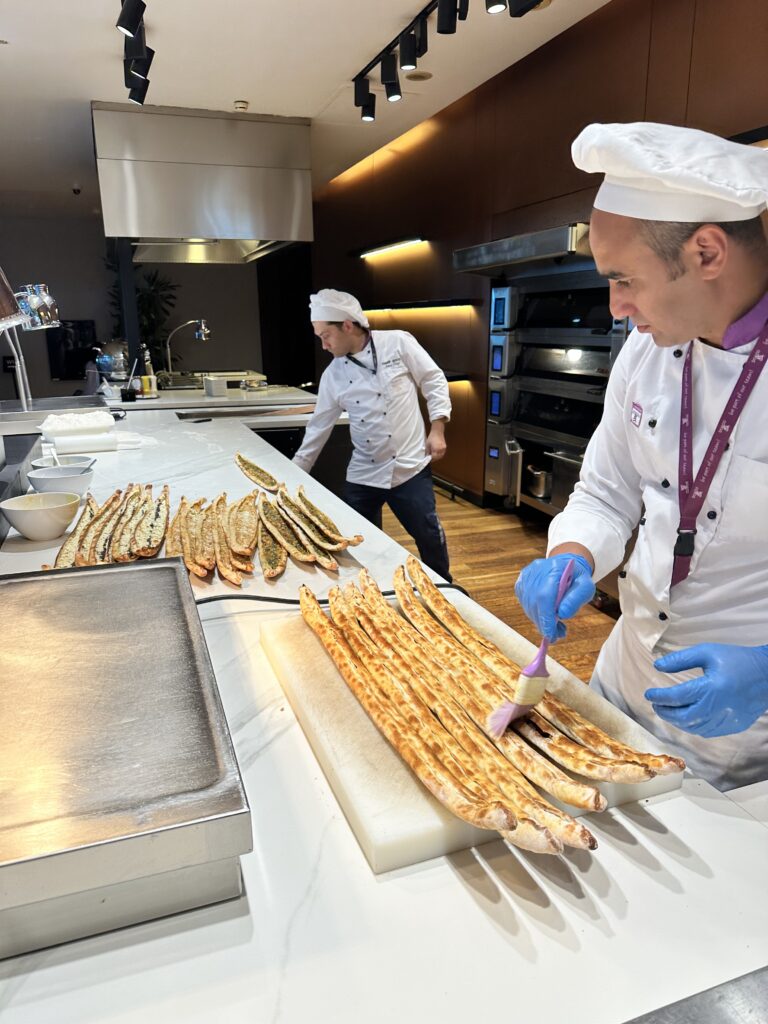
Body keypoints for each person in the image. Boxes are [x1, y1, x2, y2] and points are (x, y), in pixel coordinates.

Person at [515, 122, 768, 791]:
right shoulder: (647, 351)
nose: (616, 307)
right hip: (619, 687)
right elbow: (607, 489)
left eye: (624, 278)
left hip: (740, 741)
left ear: (708, 252)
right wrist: (572, 553)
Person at [293, 288, 452, 580]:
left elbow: (433, 379)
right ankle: (368, 589)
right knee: (356, 541)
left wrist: (437, 428)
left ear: (348, 326)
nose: (324, 345)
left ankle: (446, 588)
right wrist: (293, 473)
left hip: (409, 467)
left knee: (428, 535)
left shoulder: (398, 343)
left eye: (326, 335)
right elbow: (319, 426)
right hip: (364, 471)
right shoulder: (333, 375)